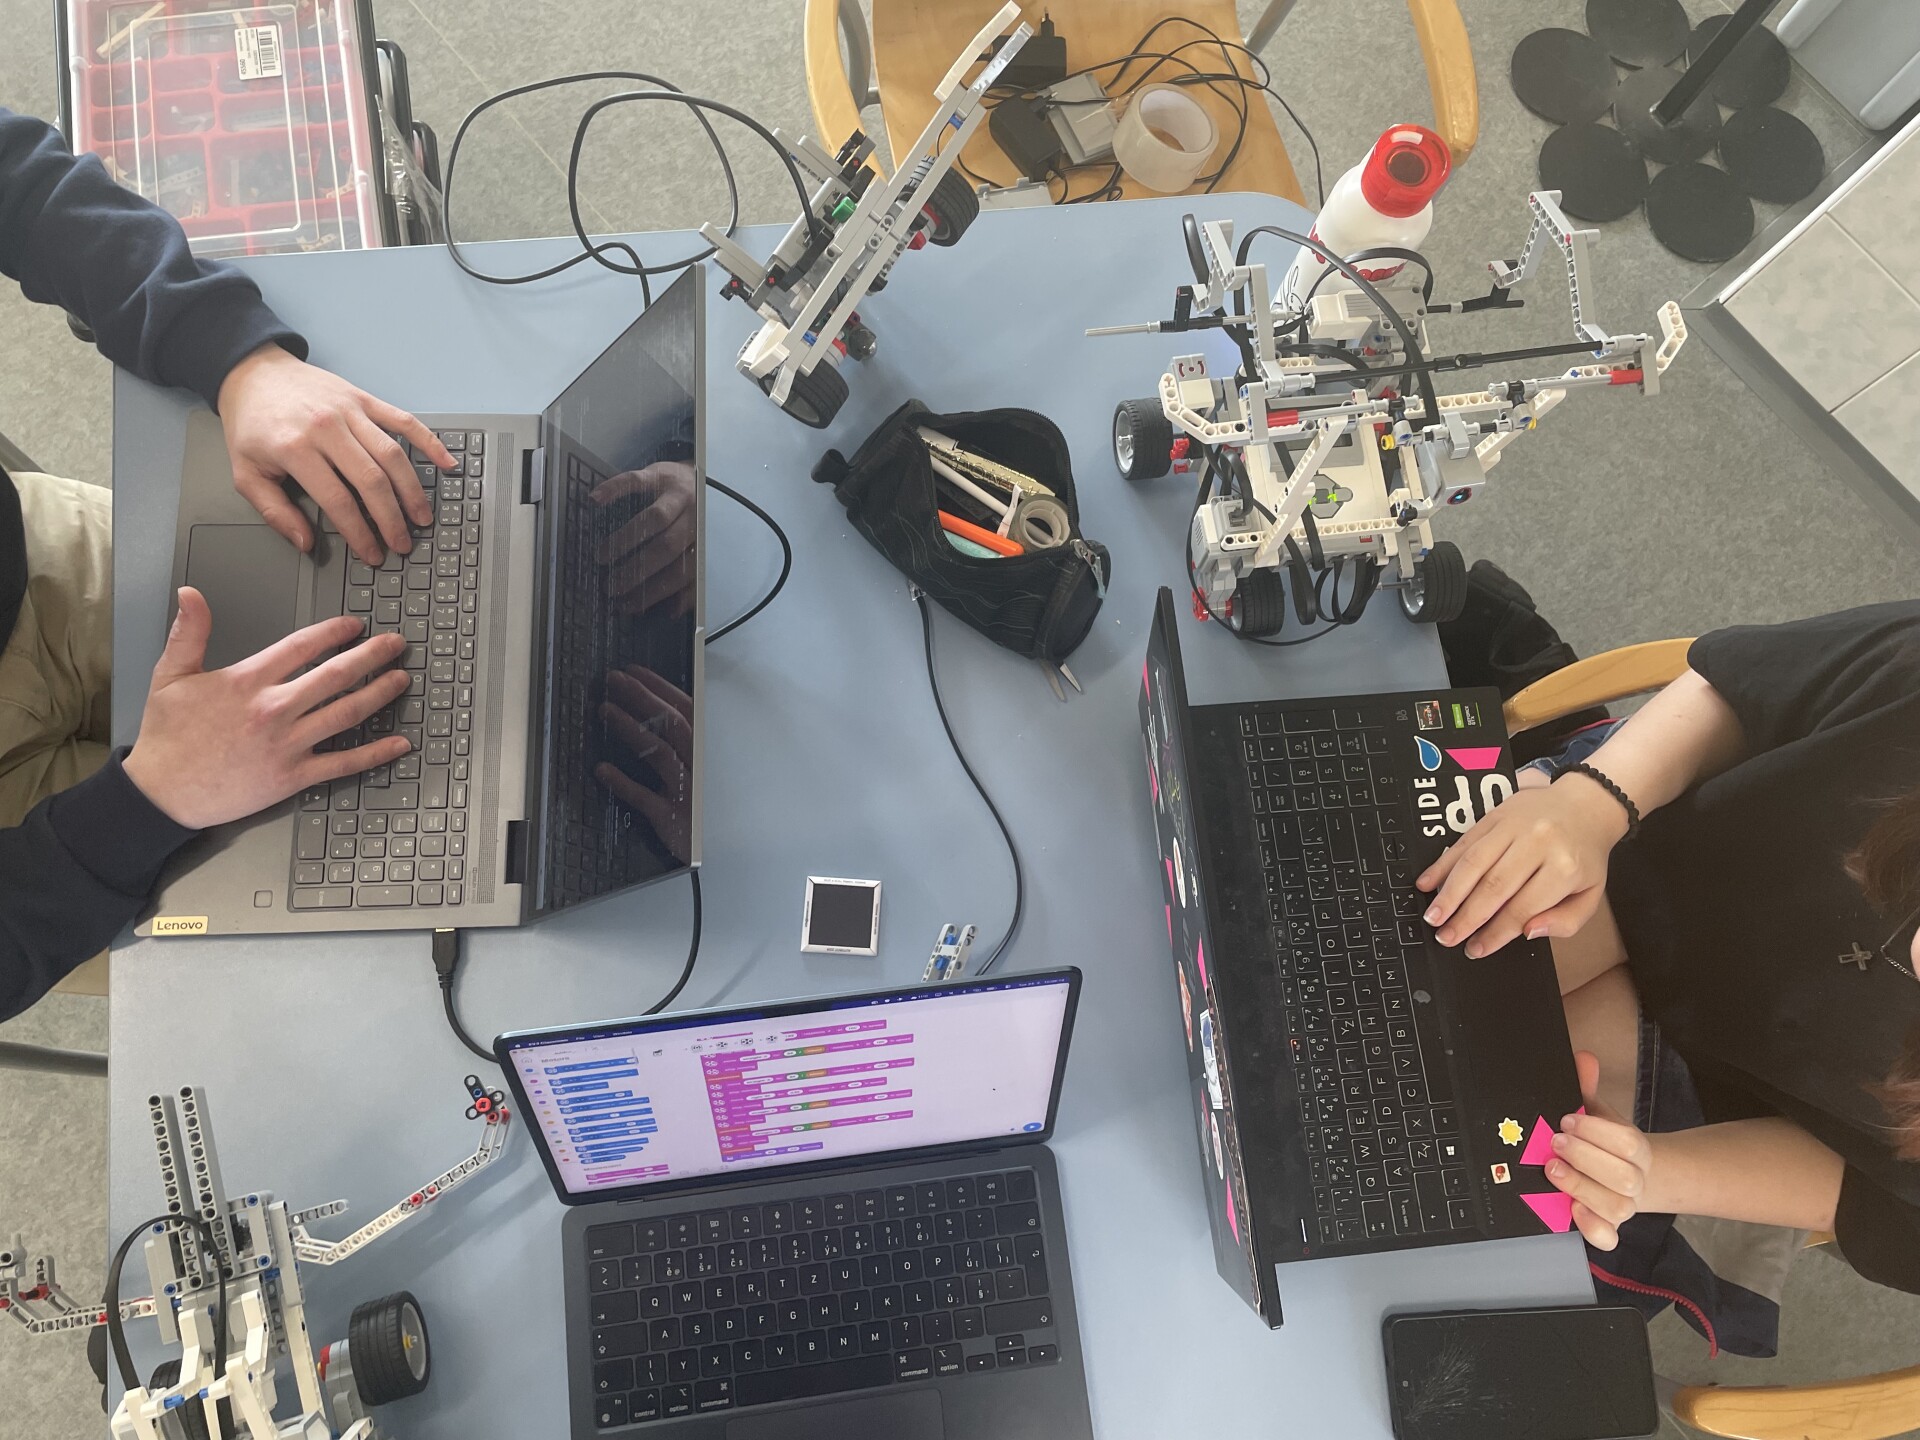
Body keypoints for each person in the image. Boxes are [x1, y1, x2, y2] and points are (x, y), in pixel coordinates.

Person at [0, 107, 456, 1020]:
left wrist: (233, 357)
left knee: (425, 659)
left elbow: (16, 180)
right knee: (363, 939)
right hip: (31, 864)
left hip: (37, 561)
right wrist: (146, 805)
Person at [1418, 601, 1920, 1351]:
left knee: (1423, 1175)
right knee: (1370, 977)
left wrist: (1646, 1171)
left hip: (1724, 1092)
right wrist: (1591, 805)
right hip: (1647, 840)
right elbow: (1739, 686)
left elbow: (1872, 1202)